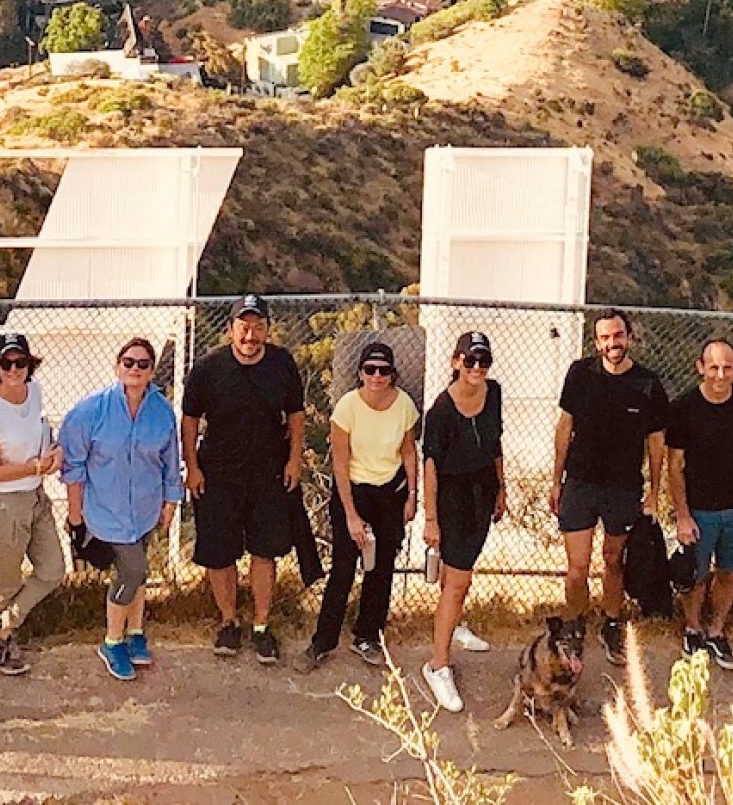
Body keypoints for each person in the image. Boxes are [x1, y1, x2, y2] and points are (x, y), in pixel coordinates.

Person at [182, 295, 305, 664]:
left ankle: (262, 627)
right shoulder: (208, 368)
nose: (251, 335)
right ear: (231, 328)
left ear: (268, 329)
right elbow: (189, 421)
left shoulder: (282, 363)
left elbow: (296, 415)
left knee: (265, 551)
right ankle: (229, 622)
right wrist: (192, 467)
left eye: (258, 327)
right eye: (244, 326)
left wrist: (295, 461)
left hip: (269, 473)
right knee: (220, 553)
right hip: (218, 475)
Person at [59, 338, 184, 681]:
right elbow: (73, 462)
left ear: (152, 371)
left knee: (137, 572)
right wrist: (75, 515)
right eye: (129, 362)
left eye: (143, 364)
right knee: (132, 572)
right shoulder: (92, 410)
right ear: (117, 366)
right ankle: (112, 641)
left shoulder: (162, 412)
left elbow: (170, 461)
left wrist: (171, 502)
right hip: (106, 511)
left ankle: (135, 632)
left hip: (144, 510)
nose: (135, 369)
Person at [550, 309, 668, 666]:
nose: (612, 344)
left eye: (617, 336)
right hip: (581, 483)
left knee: (614, 560)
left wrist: (654, 490)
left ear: (628, 337)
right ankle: (574, 626)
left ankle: (612, 624)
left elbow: (657, 441)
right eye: (604, 338)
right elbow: (564, 428)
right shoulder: (580, 374)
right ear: (596, 341)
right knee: (577, 568)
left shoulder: (648, 384)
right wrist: (556, 481)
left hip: (623, 486)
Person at [294, 342, 419, 673]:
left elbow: (408, 451)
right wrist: (351, 514)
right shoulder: (347, 408)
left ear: (392, 374)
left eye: (383, 370)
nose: (377, 377)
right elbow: (340, 462)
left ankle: (367, 636)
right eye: (370, 370)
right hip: (353, 490)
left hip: (390, 491)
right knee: (344, 568)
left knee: (381, 567)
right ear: (360, 374)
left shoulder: (404, 405)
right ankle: (322, 643)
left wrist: (412, 496)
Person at [667, 338, 733, 671]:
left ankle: (716, 631)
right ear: (701, 368)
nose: (721, 374)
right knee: (695, 574)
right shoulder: (683, 407)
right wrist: (682, 514)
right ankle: (693, 628)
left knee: (729, 572)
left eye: (727, 367)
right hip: (698, 508)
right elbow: (674, 465)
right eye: (714, 367)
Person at [421, 331, 506, 712]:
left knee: (461, 575)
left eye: (482, 361)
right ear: (455, 362)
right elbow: (430, 466)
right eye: (469, 361)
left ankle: (453, 626)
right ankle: (438, 665)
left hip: (482, 492)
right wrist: (431, 518)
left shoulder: (495, 394)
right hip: (453, 498)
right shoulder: (440, 411)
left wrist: (502, 488)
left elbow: (495, 444)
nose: (476, 368)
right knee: (457, 582)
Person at [0, 332, 65, 676]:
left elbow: (41, 433)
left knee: (53, 569)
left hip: (36, 497)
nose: (14, 370)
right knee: (7, 582)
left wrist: (53, 452)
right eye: (7, 363)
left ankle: (0, 627)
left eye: (20, 363)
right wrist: (37, 467)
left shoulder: (35, 392)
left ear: (30, 365)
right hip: (4, 505)